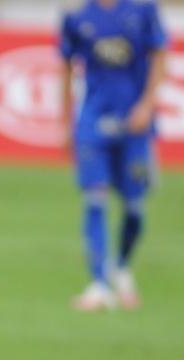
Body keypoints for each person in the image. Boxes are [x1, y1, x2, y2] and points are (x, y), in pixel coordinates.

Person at [61, 0, 167, 311]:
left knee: (134, 208)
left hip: (134, 123)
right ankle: (98, 284)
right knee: (95, 199)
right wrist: (65, 121)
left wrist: (147, 105)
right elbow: (65, 66)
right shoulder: (77, 15)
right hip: (93, 121)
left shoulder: (143, 10)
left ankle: (120, 267)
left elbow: (160, 55)